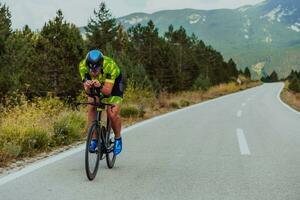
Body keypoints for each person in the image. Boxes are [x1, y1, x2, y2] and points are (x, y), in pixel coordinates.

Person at [79, 49, 123, 155]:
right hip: (97, 85)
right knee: (91, 106)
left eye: (96, 69)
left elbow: (107, 92)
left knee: (112, 114)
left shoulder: (109, 65)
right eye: (91, 69)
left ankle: (118, 138)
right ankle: (94, 139)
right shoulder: (82, 66)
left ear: (101, 64)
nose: (93, 72)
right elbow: (87, 91)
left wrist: (100, 86)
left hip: (114, 86)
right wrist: (88, 86)